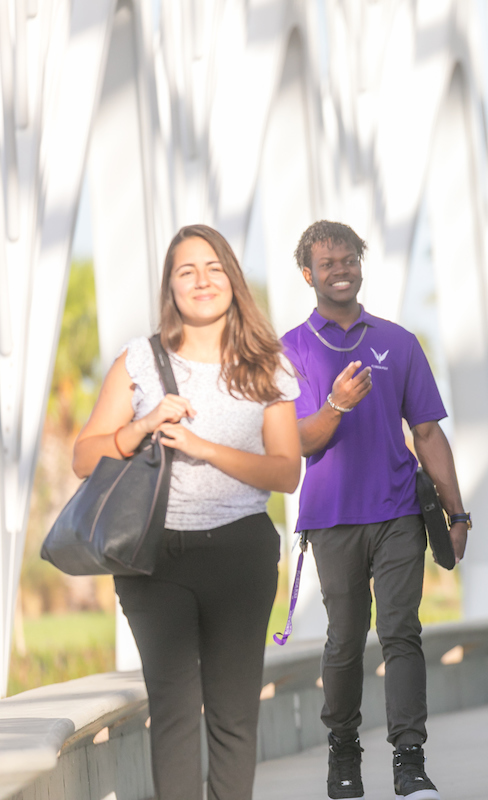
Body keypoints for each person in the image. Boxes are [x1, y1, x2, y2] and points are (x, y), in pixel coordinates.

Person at [72, 224, 301, 800]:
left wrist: (205, 448)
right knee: (174, 711)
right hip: (155, 556)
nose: (202, 281)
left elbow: (285, 471)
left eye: (213, 268)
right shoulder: (140, 362)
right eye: (186, 271)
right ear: (170, 288)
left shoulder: (268, 365)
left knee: (233, 714)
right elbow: (83, 456)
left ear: (232, 278)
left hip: (239, 551)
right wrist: (142, 427)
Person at [280, 220, 468, 800]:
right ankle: (343, 749)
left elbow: (429, 433)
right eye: (328, 263)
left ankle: (410, 761)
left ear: (361, 266)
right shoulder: (289, 349)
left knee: (401, 632)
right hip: (331, 517)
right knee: (343, 639)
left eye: (349, 260)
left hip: (397, 513)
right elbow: (297, 441)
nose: (341, 270)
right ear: (307, 274)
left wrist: (458, 514)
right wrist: (337, 404)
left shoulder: (398, 341)